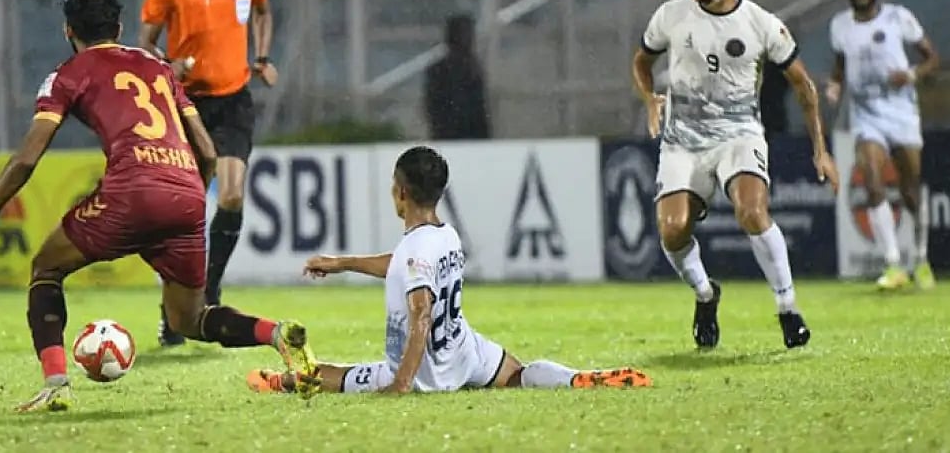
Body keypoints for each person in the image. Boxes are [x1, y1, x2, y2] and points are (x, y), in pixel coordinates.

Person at [0, 0, 314, 412]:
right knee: (190, 319)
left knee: (46, 269)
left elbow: (27, 158)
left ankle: (56, 385)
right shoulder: (157, 67)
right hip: (186, 192)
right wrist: (187, 197)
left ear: (68, 31)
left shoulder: (67, 74)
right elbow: (207, 151)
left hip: (132, 191)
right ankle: (275, 332)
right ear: (120, 28)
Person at [245, 146, 652, 398]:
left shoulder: (416, 250)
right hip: (464, 350)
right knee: (519, 375)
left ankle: (279, 382)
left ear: (401, 192)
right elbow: (403, 267)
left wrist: (402, 383)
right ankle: (578, 379)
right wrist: (342, 263)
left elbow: (421, 312)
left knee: (330, 375)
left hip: (428, 371)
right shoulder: (445, 235)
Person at [631, 0, 839, 350]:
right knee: (672, 230)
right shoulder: (671, 15)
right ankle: (706, 294)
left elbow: (804, 86)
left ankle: (788, 308)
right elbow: (642, 62)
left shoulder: (761, 24)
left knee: (751, 211)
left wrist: (821, 149)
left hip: (739, 136)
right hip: (682, 141)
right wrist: (649, 99)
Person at [139, 0, 278, 346]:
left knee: (232, 195)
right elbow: (145, 43)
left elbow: (263, 10)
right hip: (187, 106)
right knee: (185, 212)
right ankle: (174, 309)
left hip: (234, 100)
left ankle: (210, 289)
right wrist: (169, 64)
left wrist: (261, 57)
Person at [826, 0, 939, 290]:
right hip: (866, 114)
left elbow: (932, 58)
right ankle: (893, 264)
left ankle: (921, 259)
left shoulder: (897, 17)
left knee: (910, 190)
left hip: (901, 111)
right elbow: (840, 66)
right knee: (872, 181)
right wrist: (835, 86)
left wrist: (912, 75)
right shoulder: (840, 26)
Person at [424, 14, 492, 140]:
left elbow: (480, 109)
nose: (469, 39)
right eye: (465, 34)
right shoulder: (440, 70)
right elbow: (435, 107)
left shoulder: (473, 68)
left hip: (472, 136)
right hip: (449, 137)